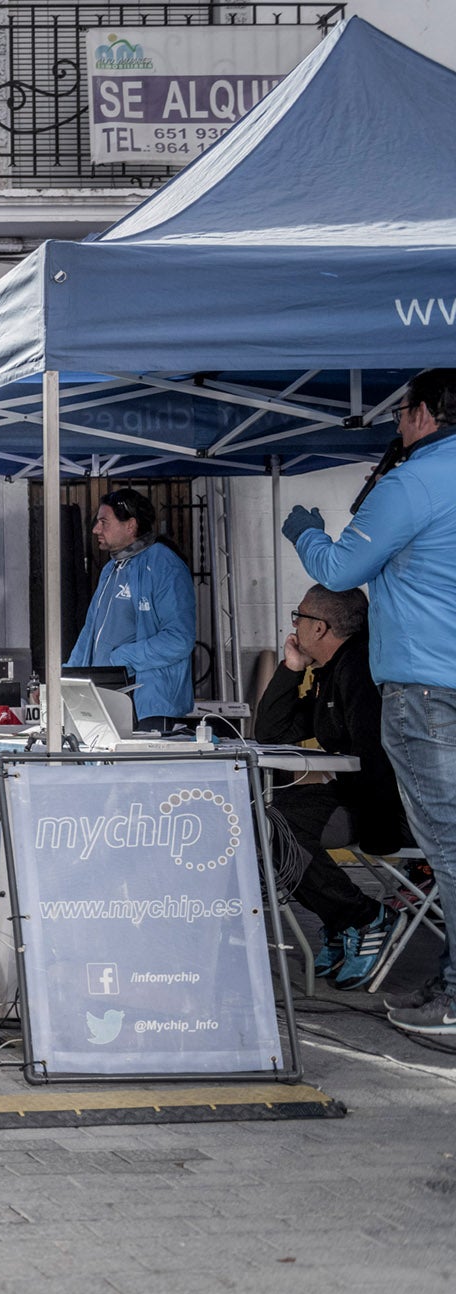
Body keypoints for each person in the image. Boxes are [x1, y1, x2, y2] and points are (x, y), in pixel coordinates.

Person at [288, 368, 456, 1032]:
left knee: (446, 841)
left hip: (424, 684)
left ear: (421, 416)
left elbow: (337, 570)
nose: (397, 424)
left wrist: (304, 531)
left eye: (401, 413)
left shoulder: (411, 481)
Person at [253, 586, 409, 988]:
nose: (293, 624)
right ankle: (345, 920)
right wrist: (291, 668)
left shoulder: (360, 667)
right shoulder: (331, 670)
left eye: (298, 616)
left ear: (319, 628)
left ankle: (362, 917)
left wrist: (381, 835)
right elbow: (273, 732)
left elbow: (377, 759)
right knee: (262, 820)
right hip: (356, 796)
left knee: (274, 828)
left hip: (390, 807)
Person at [64, 488, 196, 730]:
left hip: (149, 707)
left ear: (131, 525)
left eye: (103, 522)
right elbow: (89, 634)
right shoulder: (111, 569)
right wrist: (64, 680)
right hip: (104, 702)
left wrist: (120, 659)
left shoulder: (164, 564)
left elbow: (179, 640)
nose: (95, 529)